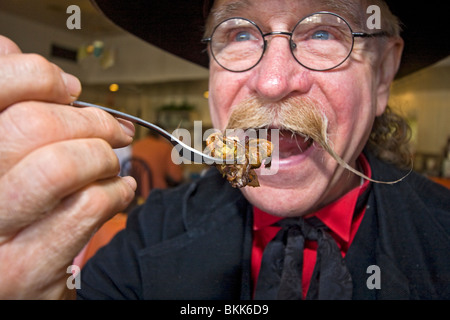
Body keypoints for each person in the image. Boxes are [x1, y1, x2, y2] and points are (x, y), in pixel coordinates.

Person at [0, 0, 449, 300]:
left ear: (384, 73)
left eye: (324, 33)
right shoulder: (153, 229)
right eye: (238, 35)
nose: (272, 83)